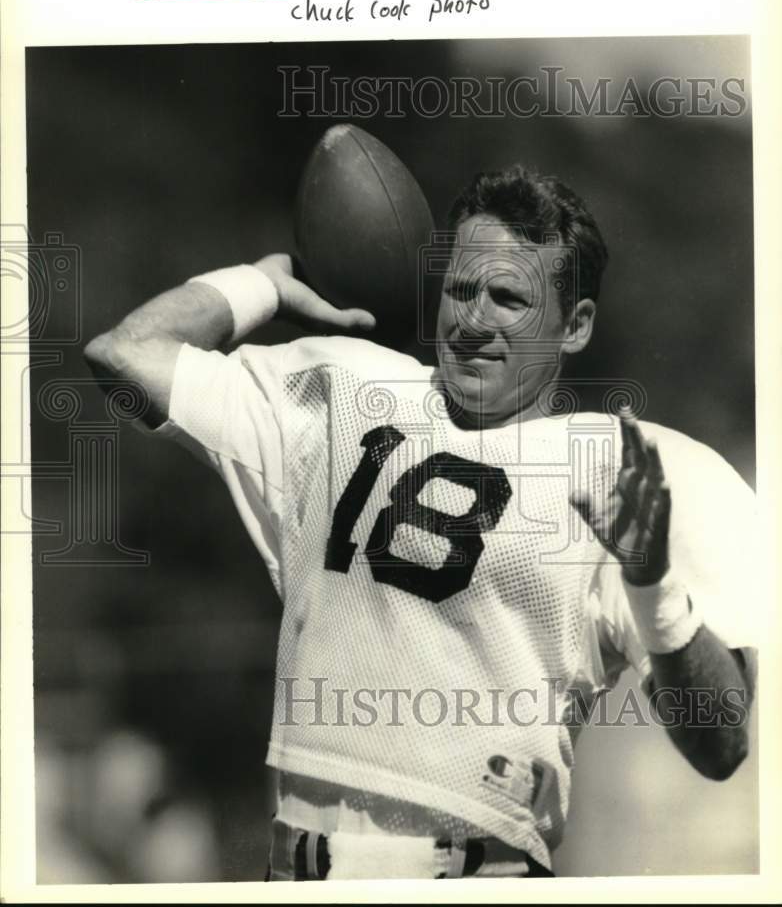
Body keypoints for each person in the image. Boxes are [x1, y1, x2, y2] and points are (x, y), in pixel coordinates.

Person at [84, 164, 757, 881]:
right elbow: (126, 353)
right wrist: (267, 282)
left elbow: (721, 745)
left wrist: (652, 585)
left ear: (576, 325)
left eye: (508, 298)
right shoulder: (342, 390)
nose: (472, 320)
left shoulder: (617, 472)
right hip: (298, 868)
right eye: (460, 289)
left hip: (478, 870)